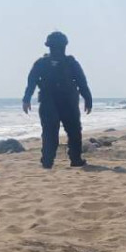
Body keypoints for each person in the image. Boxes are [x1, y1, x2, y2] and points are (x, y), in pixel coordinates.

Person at [22, 31, 92, 168]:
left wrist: (88, 99)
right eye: (55, 46)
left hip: (67, 102)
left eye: (58, 46)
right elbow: (32, 81)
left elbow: (82, 82)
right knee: (51, 133)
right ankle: (49, 161)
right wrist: (26, 98)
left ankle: (73, 160)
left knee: (71, 132)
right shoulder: (42, 63)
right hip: (51, 103)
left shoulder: (70, 63)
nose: (57, 49)